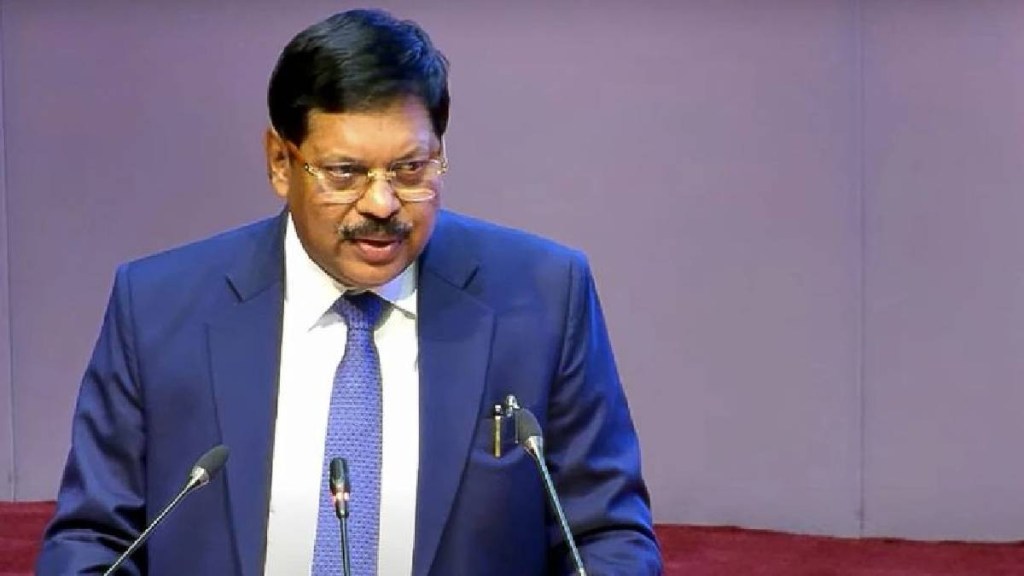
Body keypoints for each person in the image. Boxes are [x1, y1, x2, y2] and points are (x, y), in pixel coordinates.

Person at [36, 8, 661, 575]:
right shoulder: (158, 306)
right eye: (345, 173)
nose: (382, 204)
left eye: (411, 169)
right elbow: (94, 541)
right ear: (281, 162)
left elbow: (604, 536)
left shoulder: (543, 295)